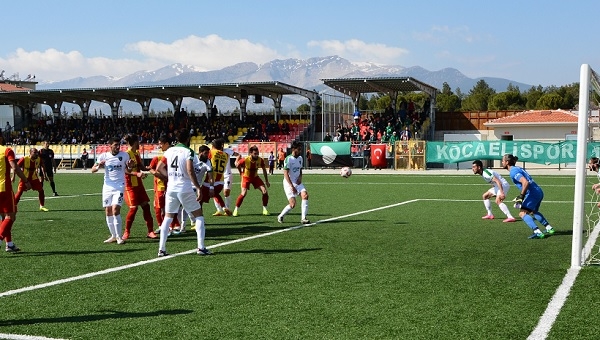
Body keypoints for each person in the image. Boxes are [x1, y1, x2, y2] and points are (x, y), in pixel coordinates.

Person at [156, 129, 212, 257]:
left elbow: (159, 168)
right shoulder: (188, 151)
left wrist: (170, 177)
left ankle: (161, 249)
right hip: (185, 187)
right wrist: (198, 187)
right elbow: (190, 170)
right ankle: (201, 247)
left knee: (168, 218)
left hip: (171, 188)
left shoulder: (169, 150)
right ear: (188, 139)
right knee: (199, 216)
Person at [91, 137, 134, 245]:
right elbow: (93, 169)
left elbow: (128, 170)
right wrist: (98, 167)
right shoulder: (103, 156)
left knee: (115, 210)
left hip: (119, 186)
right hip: (107, 187)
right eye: (115, 145)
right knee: (108, 211)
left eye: (118, 145)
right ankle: (113, 236)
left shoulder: (124, 155)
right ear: (110, 145)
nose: (117, 147)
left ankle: (119, 237)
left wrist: (130, 167)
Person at [501, 154, 555, 239]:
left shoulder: (513, 171)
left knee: (522, 213)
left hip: (533, 194)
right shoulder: (517, 168)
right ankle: (549, 228)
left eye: (503, 161)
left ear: (507, 162)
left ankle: (537, 232)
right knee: (533, 211)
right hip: (538, 191)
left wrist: (521, 196)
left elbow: (525, 182)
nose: (502, 162)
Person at [122, 134, 157, 240]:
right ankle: (126, 232)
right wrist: (137, 174)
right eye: (138, 142)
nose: (139, 144)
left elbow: (140, 166)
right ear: (134, 142)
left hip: (139, 185)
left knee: (146, 206)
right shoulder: (126, 155)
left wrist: (149, 168)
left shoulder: (136, 153)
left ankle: (150, 231)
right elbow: (125, 170)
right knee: (133, 208)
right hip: (130, 186)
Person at [0, 135, 31, 252]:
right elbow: (15, 167)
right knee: (10, 216)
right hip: (4, 188)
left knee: (3, 217)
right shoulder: (6, 150)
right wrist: (26, 181)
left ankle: (9, 244)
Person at [277, 141, 310, 224]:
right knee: (292, 204)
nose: (300, 151)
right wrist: (291, 186)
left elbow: (300, 170)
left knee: (305, 195)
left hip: (297, 182)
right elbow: (285, 173)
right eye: (299, 149)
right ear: (293, 149)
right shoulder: (288, 159)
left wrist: (300, 178)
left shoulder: (300, 158)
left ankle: (303, 218)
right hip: (288, 183)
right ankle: (281, 216)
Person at [233, 145, 270, 217]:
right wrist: (241, 173)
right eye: (255, 154)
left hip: (255, 177)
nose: (257, 155)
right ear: (251, 153)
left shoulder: (260, 160)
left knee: (265, 192)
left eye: (257, 153)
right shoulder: (245, 159)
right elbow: (237, 165)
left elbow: (264, 170)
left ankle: (265, 209)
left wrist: (267, 181)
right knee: (243, 193)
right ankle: (236, 210)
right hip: (246, 177)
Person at [204, 138, 227, 216]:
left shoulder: (211, 152)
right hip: (220, 182)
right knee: (216, 194)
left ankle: (196, 219)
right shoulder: (225, 155)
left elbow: (204, 160)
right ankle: (224, 207)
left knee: (199, 199)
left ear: (213, 145)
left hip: (210, 181)